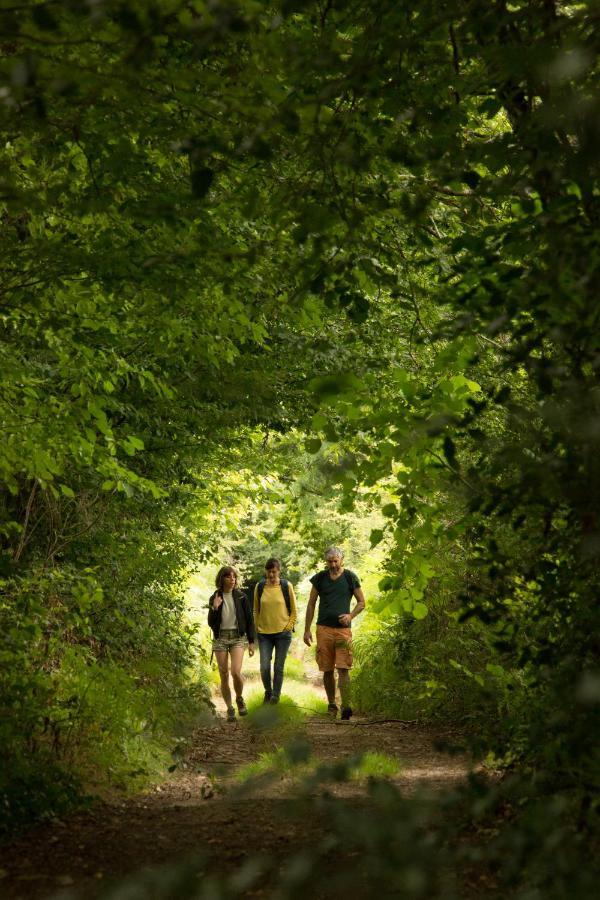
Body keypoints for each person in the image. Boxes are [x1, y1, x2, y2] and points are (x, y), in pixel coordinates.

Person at [304, 546, 365, 720]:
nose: (332, 564)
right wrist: (307, 629)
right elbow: (311, 603)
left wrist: (350, 615)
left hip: (343, 631)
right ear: (326, 562)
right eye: (329, 561)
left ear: (341, 560)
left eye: (335, 561)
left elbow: (361, 602)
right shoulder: (320, 578)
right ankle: (332, 705)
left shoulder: (350, 577)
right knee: (327, 669)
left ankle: (346, 706)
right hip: (323, 629)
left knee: (343, 668)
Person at [208, 565, 255, 722]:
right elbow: (210, 622)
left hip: (237, 637)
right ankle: (229, 709)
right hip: (220, 637)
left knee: (235, 672)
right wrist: (214, 607)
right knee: (223, 674)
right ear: (222, 579)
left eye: (234, 577)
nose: (232, 579)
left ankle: (240, 699)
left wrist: (251, 641)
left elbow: (249, 620)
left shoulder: (241, 597)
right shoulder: (215, 596)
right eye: (228, 576)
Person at [254, 557, 298, 704]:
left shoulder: (286, 586)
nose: (271, 575)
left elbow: (294, 610)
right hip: (264, 634)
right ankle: (268, 691)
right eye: (269, 572)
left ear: (279, 571)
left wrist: (289, 626)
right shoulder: (259, 587)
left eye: (274, 572)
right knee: (264, 667)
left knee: (278, 667)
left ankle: (275, 697)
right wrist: (257, 627)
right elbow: (255, 610)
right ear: (265, 571)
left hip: (282, 634)